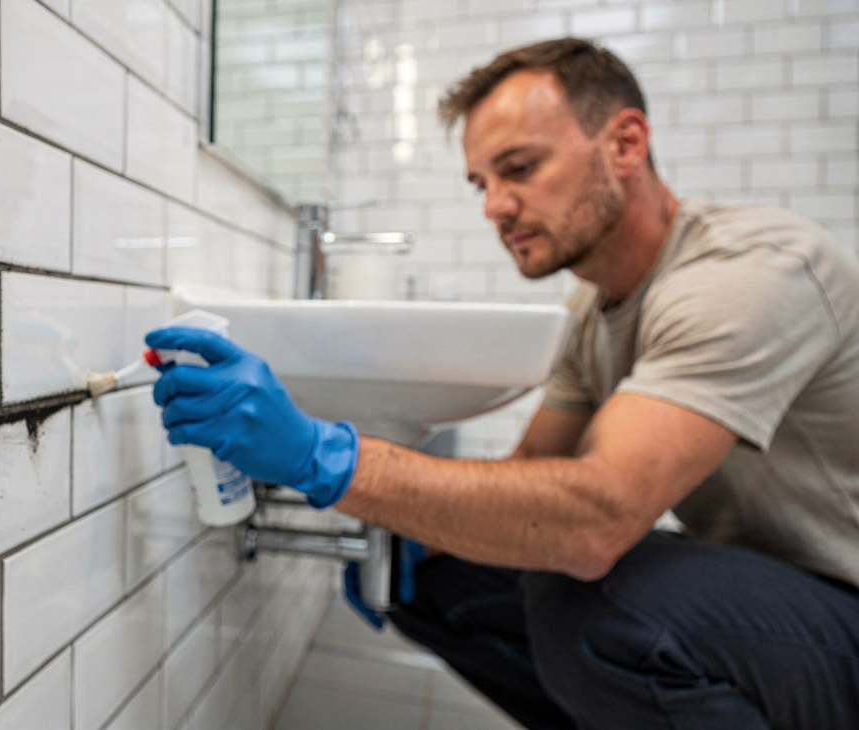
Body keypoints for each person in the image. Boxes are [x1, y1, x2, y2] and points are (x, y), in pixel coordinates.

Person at [148, 38, 859, 729]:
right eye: (482, 183)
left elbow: (594, 519)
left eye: (519, 168)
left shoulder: (750, 274)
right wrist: (408, 530)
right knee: (438, 574)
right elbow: (534, 478)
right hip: (771, 602)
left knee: (607, 603)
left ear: (626, 144)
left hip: (843, 611)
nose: (494, 206)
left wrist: (323, 456)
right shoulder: (594, 305)